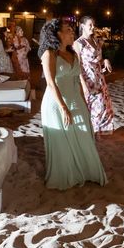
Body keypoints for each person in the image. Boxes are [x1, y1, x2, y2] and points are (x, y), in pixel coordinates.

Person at [39, 18, 106, 190]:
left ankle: (86, 172)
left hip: (76, 98)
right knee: (62, 139)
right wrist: (63, 108)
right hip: (55, 102)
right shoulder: (49, 54)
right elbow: (51, 83)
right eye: (68, 29)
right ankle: (67, 174)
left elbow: (77, 81)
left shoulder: (73, 54)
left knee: (83, 134)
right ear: (57, 34)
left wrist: (85, 105)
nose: (72, 32)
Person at [73, 16, 115, 136]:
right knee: (93, 107)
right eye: (90, 25)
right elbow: (77, 66)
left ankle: (100, 132)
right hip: (88, 79)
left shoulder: (96, 41)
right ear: (82, 26)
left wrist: (105, 61)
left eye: (93, 25)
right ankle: (93, 133)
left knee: (104, 105)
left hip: (99, 77)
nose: (93, 27)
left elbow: (98, 59)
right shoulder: (78, 43)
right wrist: (83, 85)